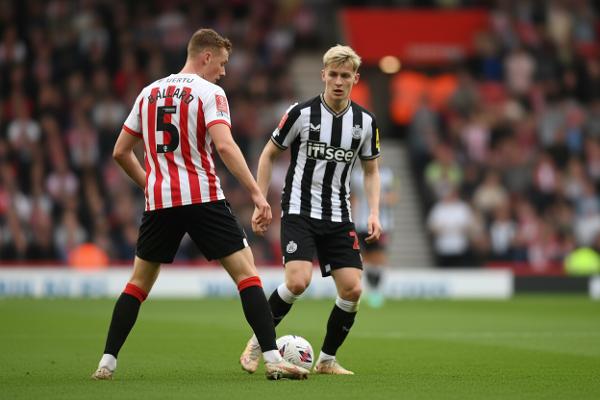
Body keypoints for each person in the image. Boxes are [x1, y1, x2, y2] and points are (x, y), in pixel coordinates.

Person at [91, 28, 308, 381]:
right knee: (247, 274)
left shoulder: (148, 93)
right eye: (221, 63)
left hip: (160, 202)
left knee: (138, 284)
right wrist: (256, 193)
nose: (223, 72)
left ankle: (106, 362)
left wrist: (151, 183)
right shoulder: (210, 92)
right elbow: (224, 145)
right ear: (206, 56)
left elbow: (120, 152)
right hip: (202, 196)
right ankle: (272, 359)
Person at [239, 45, 382, 375]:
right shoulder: (301, 114)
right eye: (333, 75)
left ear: (355, 79)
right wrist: (261, 199)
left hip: (338, 215)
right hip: (299, 210)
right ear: (323, 75)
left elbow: (372, 170)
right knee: (298, 281)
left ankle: (327, 361)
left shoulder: (365, 122)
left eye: (345, 76)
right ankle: (257, 343)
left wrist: (373, 212)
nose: (338, 81)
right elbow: (268, 154)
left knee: (353, 289)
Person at [351, 164, 397, 308]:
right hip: (361, 223)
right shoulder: (356, 175)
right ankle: (370, 289)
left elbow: (394, 197)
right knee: (365, 256)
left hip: (383, 223)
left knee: (379, 256)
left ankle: (378, 290)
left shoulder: (388, 174)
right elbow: (352, 198)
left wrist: (379, 199)